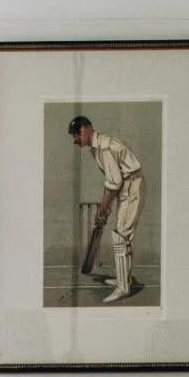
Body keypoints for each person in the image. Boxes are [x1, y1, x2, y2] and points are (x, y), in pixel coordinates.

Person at [70, 114, 144, 305]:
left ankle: (123, 288)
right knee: (123, 235)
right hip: (127, 185)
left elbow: (115, 182)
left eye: (77, 134)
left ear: (87, 129)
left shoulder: (104, 148)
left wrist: (103, 208)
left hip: (132, 185)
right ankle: (123, 280)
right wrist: (106, 206)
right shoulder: (97, 148)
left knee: (121, 235)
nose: (76, 140)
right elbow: (111, 180)